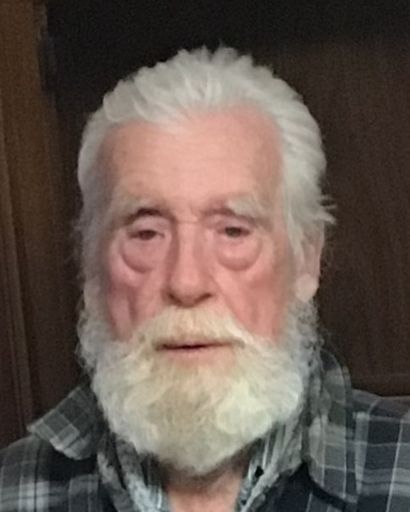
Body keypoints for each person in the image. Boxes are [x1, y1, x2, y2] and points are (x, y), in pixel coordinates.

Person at [1, 47, 410, 512]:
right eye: (146, 233)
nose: (187, 282)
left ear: (306, 260)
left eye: (233, 231)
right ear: (91, 266)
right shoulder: (13, 491)